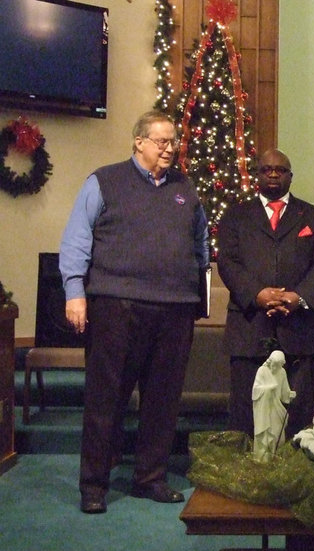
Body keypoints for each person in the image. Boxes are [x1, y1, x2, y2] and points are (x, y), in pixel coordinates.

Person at [60, 110, 209, 514]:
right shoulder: (103, 181)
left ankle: (150, 478)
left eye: (173, 142)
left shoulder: (185, 188)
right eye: (161, 141)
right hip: (115, 305)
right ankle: (94, 485)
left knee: (163, 399)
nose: (169, 149)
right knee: (106, 397)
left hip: (175, 308)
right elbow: (76, 239)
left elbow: (201, 244)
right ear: (138, 141)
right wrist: (75, 291)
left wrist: (198, 291)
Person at [216, 149, 314, 441]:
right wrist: (257, 294)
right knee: (246, 412)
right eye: (266, 169)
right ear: (257, 175)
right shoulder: (235, 216)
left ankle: (297, 467)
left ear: (290, 176)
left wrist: (298, 297)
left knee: (300, 411)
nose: (272, 174)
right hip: (249, 325)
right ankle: (245, 473)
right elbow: (228, 262)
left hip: (299, 328)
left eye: (280, 170)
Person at [252, 350, 296, 461]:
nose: (275, 368)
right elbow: (255, 391)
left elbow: (284, 394)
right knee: (265, 436)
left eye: (278, 365)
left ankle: (275, 458)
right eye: (274, 365)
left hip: (276, 409)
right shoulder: (262, 371)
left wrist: (289, 394)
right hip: (264, 410)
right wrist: (268, 390)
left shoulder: (282, 373)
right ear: (270, 361)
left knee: (277, 436)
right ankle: (263, 458)